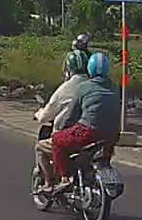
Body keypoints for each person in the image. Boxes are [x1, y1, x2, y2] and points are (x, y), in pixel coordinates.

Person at [48, 51, 120, 192]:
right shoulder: (115, 88)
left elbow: (71, 115)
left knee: (57, 140)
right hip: (112, 135)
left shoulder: (83, 87)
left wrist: (61, 128)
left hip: (88, 132)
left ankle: (65, 178)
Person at [34, 50, 88, 191]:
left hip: (69, 135)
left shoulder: (65, 89)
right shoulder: (92, 85)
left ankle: (49, 183)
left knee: (40, 147)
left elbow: (46, 115)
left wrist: (39, 114)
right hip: (92, 134)